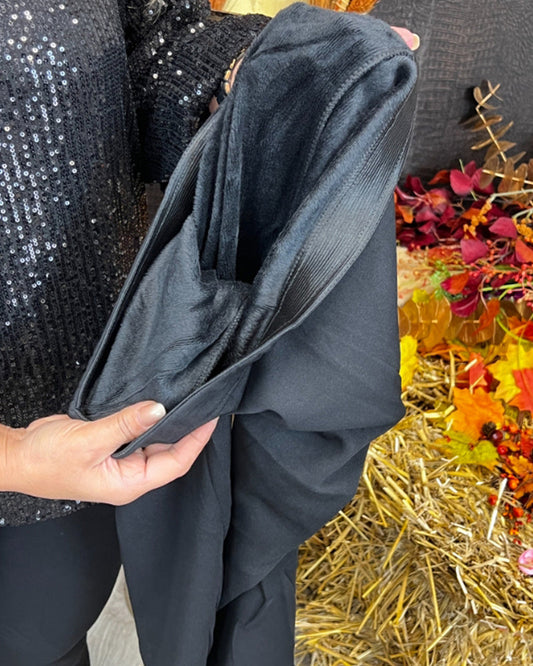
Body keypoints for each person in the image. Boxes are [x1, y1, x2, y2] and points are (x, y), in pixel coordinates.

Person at [0, 1, 418, 663]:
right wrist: (15, 458)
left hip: (91, 407)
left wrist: (262, 73)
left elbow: (139, 37)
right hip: (29, 464)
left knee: (54, 630)